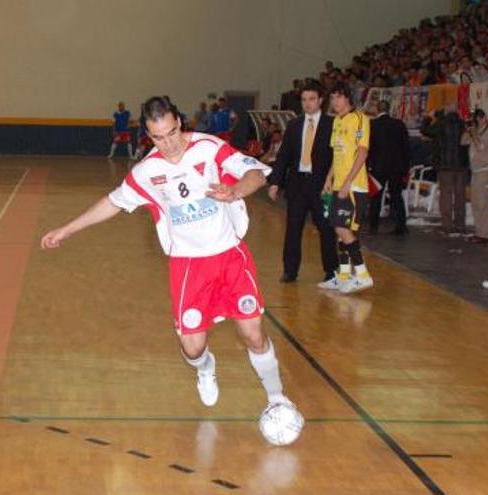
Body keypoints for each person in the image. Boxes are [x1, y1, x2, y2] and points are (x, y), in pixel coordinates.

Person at [41, 96, 296, 417]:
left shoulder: (208, 147)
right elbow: (112, 202)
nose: (168, 143)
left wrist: (234, 192)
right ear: (149, 135)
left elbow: (256, 174)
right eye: (158, 138)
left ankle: (277, 399)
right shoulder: (147, 170)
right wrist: (67, 229)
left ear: (180, 122)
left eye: (172, 133)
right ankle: (205, 368)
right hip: (189, 266)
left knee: (253, 333)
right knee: (193, 348)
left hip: (229, 256)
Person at [268, 81, 338, 283]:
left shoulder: (332, 124)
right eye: (304, 100)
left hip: (321, 184)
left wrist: (332, 179)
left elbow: (337, 156)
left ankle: (331, 270)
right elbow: (284, 156)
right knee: (292, 229)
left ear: (321, 100)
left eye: (312, 99)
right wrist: (275, 182)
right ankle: (290, 271)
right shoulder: (294, 124)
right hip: (297, 184)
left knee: (325, 229)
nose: (307, 104)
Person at [320, 83, 373, 294]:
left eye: (338, 97)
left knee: (344, 229)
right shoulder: (336, 121)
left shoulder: (360, 118)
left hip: (353, 186)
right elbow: (337, 154)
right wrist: (329, 178)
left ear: (348, 98)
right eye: (332, 98)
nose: (335, 102)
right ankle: (343, 275)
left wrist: (348, 181)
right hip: (339, 184)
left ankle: (362, 274)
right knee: (337, 228)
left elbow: (362, 153)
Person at [367, 101, 411, 235]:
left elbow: (368, 147)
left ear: (376, 109)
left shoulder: (372, 125)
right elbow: (406, 147)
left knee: (376, 197)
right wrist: (405, 166)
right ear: (389, 109)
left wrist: (368, 165)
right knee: (397, 196)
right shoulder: (399, 124)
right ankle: (401, 225)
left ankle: (373, 226)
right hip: (396, 167)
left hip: (378, 167)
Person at [461, 108, 488, 244]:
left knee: (484, 203)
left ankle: (485, 235)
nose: (476, 124)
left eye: (477, 121)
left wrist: (473, 133)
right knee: (476, 202)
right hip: (477, 171)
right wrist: (468, 130)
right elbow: (463, 141)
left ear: (483, 118)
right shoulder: (478, 129)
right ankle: (479, 232)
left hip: (487, 171)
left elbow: (481, 146)